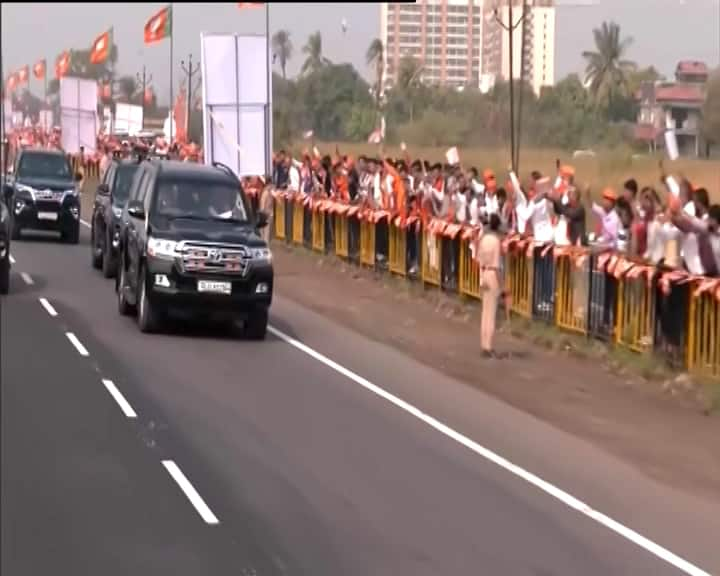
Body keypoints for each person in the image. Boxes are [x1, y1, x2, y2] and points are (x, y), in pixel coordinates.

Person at [476, 213, 503, 358]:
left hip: (484, 273)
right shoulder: (496, 241)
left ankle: (483, 344)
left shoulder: (483, 239)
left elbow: (478, 260)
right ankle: (489, 346)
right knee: (491, 313)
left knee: (484, 312)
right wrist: (502, 286)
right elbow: (497, 266)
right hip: (493, 274)